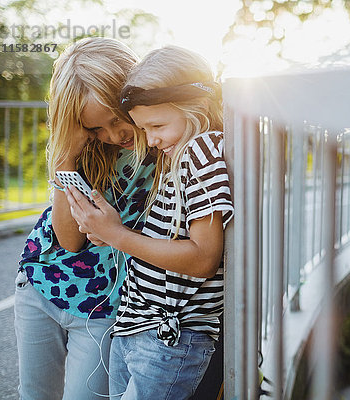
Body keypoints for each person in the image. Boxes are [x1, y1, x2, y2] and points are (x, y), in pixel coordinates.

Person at [66, 45, 233, 400]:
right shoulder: (182, 155)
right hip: (137, 326)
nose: (152, 140)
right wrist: (110, 233)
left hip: (169, 334)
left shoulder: (201, 152)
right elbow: (172, 238)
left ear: (198, 108)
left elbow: (203, 258)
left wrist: (118, 235)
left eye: (157, 126)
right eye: (145, 128)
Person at [15, 37, 156, 400]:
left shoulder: (161, 143)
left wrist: (114, 231)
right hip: (40, 282)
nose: (114, 135)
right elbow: (70, 240)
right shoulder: (84, 151)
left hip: (103, 305)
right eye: (95, 129)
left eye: (116, 119)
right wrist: (66, 157)